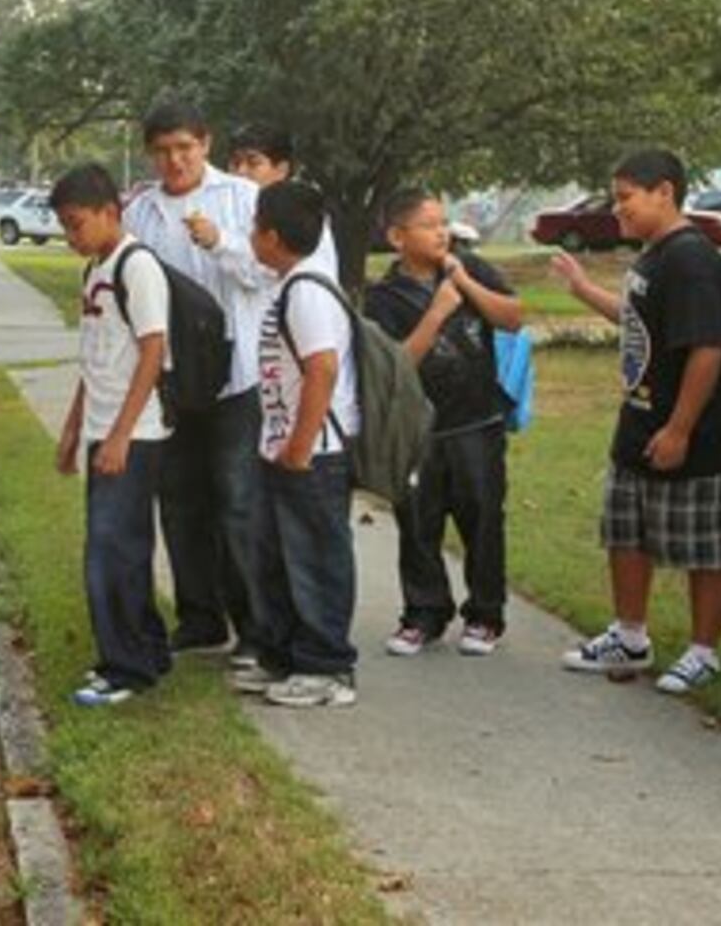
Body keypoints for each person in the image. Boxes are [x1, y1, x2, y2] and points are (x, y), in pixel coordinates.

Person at [122, 106, 338, 665]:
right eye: (163, 150)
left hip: (238, 376)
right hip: (172, 380)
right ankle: (200, 617)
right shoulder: (141, 211)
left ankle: (259, 628)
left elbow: (272, 272)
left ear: (205, 144)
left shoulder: (243, 200)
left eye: (185, 148)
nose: (175, 160)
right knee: (180, 502)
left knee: (241, 504)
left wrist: (221, 243)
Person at [551, 149, 721, 694]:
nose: (618, 210)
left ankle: (703, 651)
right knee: (626, 533)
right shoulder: (654, 255)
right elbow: (641, 322)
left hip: (699, 435)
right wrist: (583, 290)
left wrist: (680, 428)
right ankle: (630, 635)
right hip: (639, 421)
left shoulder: (691, 260)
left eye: (625, 198)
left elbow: (707, 348)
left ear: (664, 192)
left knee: (706, 545)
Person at [364, 189, 524, 656]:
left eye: (444, 222)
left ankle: (485, 615)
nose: (442, 232)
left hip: (476, 421)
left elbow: (513, 318)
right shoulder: (382, 297)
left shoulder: (468, 267)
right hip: (418, 430)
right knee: (418, 522)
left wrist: (464, 285)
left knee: (483, 518)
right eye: (429, 224)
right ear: (397, 236)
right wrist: (436, 312)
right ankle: (423, 613)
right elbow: (396, 365)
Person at [234, 180, 361, 708]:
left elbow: (322, 369)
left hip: (313, 455)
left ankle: (328, 668)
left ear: (272, 234)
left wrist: (300, 448)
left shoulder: (307, 290)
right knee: (278, 559)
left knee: (315, 559)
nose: (249, 234)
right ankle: (283, 656)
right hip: (282, 450)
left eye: (255, 225)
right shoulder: (291, 284)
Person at [52, 163, 173, 706]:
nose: (71, 236)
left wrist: (122, 434)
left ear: (110, 212)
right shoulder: (94, 270)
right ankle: (146, 651)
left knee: (109, 553)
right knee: (121, 550)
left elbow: (153, 351)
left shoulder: (137, 267)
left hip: (136, 433)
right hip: (101, 428)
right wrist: (75, 426)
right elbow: (95, 357)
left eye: (77, 224)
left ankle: (125, 668)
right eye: (65, 226)